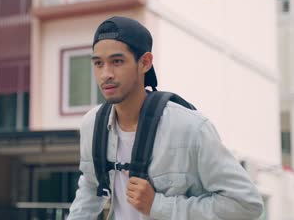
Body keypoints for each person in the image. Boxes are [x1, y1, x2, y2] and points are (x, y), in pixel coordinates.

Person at [67, 16, 263, 220]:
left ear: (145, 62)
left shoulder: (190, 128)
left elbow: (246, 204)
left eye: (117, 61)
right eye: (98, 63)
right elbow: (90, 189)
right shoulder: (92, 124)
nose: (105, 74)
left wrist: (158, 205)